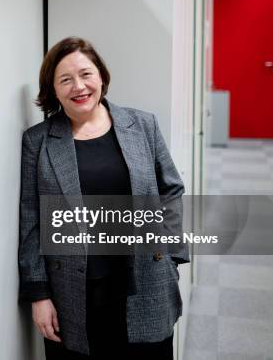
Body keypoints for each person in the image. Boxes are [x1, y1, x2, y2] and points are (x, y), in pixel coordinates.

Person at [18, 36, 189, 359]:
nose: (78, 86)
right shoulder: (38, 142)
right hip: (73, 293)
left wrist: (171, 256)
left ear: (101, 76)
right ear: (53, 90)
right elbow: (31, 223)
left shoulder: (141, 125)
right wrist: (38, 295)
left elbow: (171, 190)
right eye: (65, 79)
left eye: (86, 74)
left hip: (144, 282)